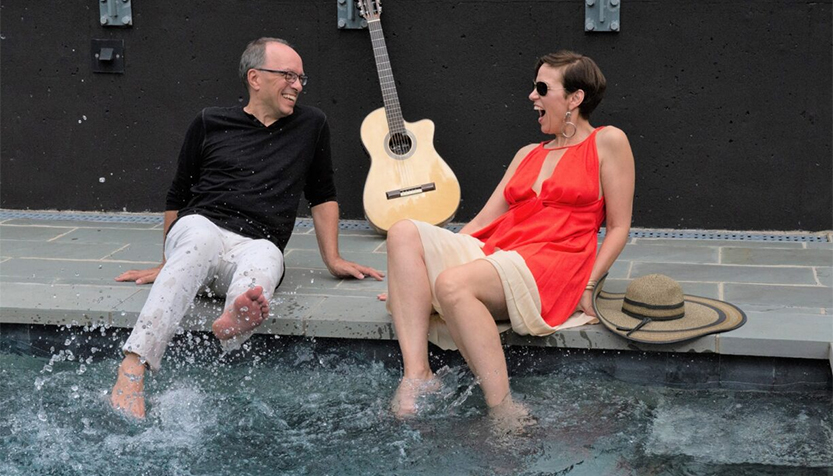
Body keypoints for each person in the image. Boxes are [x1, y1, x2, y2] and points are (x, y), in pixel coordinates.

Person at [109, 38, 384, 419]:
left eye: (301, 77)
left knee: (268, 256)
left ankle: (233, 320)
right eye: (288, 75)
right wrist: (166, 262)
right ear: (255, 78)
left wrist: (333, 259)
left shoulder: (312, 124)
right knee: (199, 239)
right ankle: (132, 368)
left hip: (256, 241)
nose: (298, 85)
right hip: (200, 228)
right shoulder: (209, 121)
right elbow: (178, 194)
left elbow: (322, 194)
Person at [383, 51, 635, 422]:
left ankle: (503, 408)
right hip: (502, 250)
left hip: (553, 261)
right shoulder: (527, 154)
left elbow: (618, 227)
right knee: (403, 231)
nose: (532, 96)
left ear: (574, 98)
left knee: (452, 285)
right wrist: (413, 272)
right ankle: (417, 374)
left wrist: (589, 284)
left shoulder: (607, 141)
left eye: (542, 88)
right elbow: (484, 219)